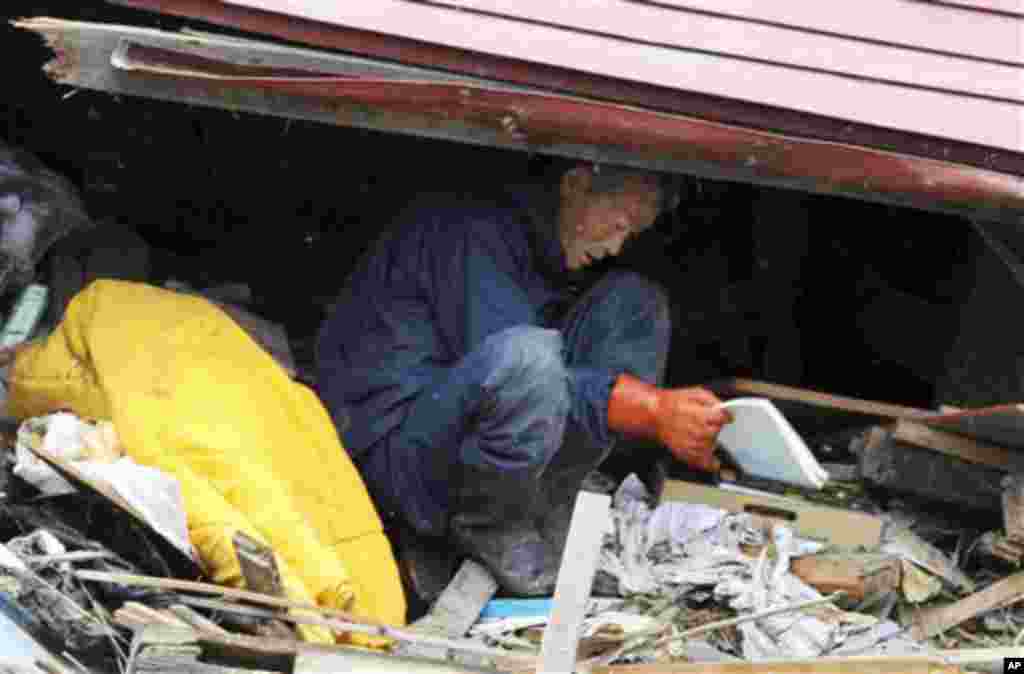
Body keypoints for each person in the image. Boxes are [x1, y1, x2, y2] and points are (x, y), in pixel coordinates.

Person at [316, 162, 733, 599]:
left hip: (466, 433)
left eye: (629, 236)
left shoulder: (529, 236)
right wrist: (648, 409)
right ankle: (490, 525)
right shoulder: (468, 228)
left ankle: (552, 501)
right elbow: (520, 377)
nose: (615, 246)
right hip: (400, 456)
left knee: (635, 303)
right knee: (530, 360)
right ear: (575, 184)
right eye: (618, 224)